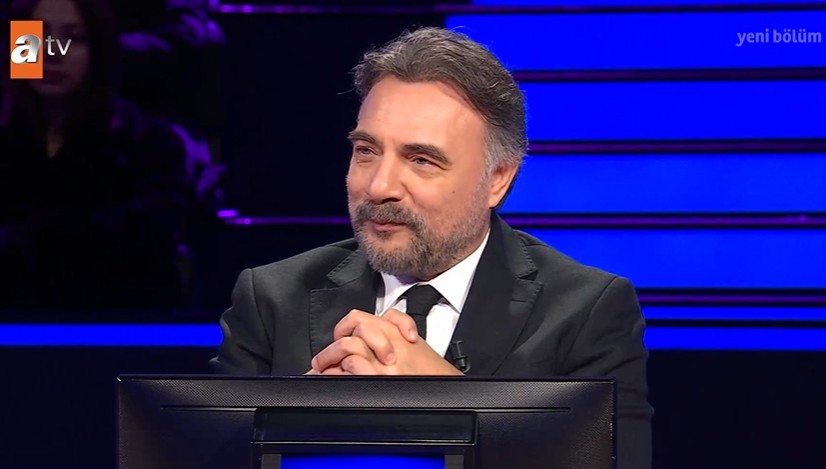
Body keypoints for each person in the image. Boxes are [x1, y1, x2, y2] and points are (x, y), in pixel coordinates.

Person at [211, 27, 653, 468]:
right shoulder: (271, 299)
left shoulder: (586, 313)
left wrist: (446, 400)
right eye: (366, 151)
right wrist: (294, 420)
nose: (379, 186)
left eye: (421, 160)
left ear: (497, 179)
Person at [0, 0, 190, 311]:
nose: (52, 53)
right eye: (37, 36)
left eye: (73, 38)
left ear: (100, 51)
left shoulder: (147, 142)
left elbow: (153, 238)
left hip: (116, 325)